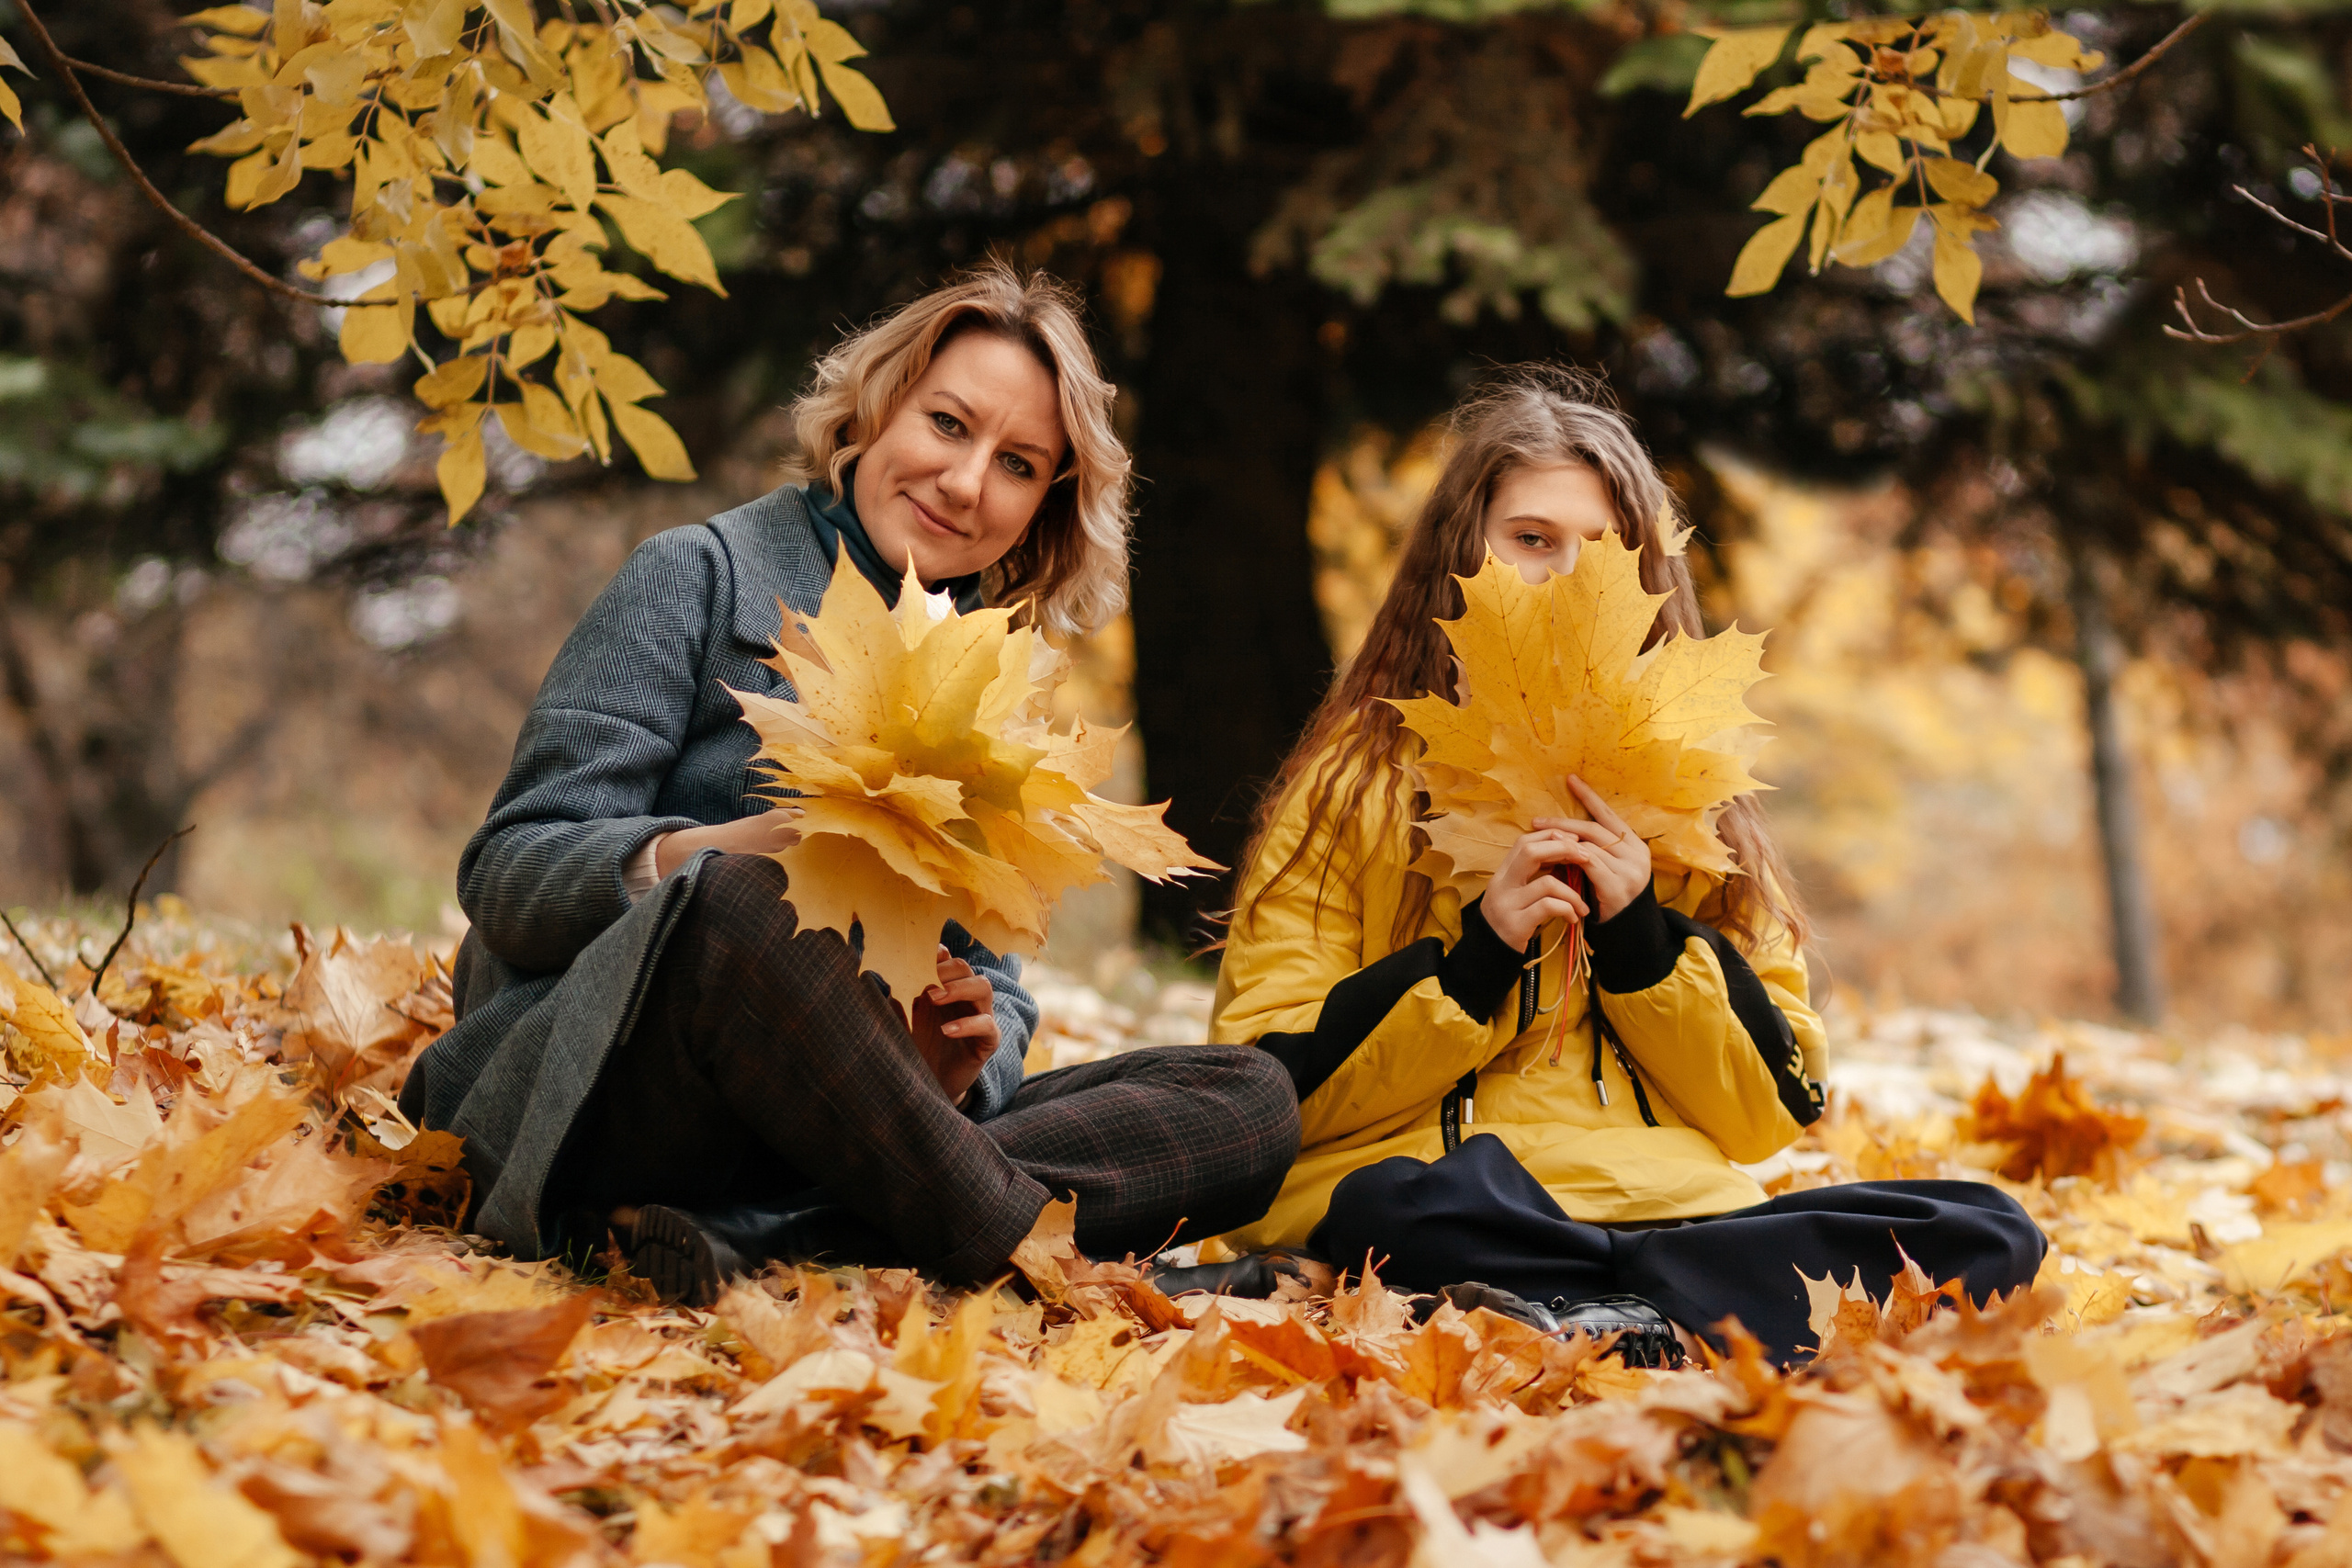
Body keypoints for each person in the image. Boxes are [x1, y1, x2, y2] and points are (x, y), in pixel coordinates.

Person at [400, 265, 1299, 1305]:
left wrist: (965, 1060)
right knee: (736, 907)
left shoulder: (990, 683)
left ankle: (779, 1238)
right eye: (948, 425)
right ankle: (1059, 1271)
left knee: (1247, 1096)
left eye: (1016, 463)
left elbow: (997, 980)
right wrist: (734, 854)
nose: (966, 483)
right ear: (874, 410)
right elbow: (508, 874)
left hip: (845, 1121)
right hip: (616, 1098)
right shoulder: (695, 575)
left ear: (1044, 505)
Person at [1205, 367, 2042, 1364]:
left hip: (1673, 1213)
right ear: (1455, 559)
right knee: (1408, 1208)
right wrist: (1479, 958)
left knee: (1988, 1231)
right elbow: (1260, 1092)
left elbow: (1776, 1105)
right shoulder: (1353, 785)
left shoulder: (1696, 795)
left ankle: (1598, 1314)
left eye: (1602, 551)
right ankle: (1664, 1318)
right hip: (1452, 1194)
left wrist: (1643, 942)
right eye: (1530, 541)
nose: (1565, 577)